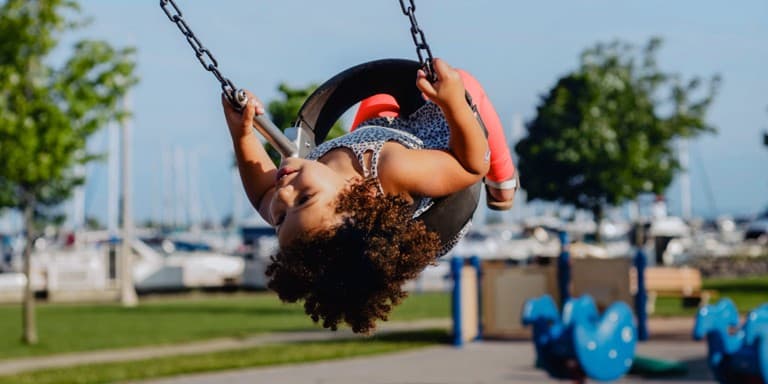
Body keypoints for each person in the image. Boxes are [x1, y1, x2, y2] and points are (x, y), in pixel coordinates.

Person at [223, 58, 518, 333]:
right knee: (465, 87)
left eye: (280, 217)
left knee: (380, 93)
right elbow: (469, 166)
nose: (284, 194)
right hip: (441, 143)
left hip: (377, 129)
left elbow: (263, 195)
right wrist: (453, 104)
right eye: (304, 198)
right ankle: (503, 182)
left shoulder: (308, 201)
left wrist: (243, 134)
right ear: (359, 196)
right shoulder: (393, 169)